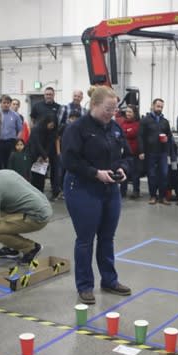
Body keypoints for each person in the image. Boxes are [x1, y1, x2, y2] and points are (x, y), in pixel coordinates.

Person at [62, 86, 132, 305]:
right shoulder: (77, 129)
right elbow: (69, 161)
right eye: (107, 109)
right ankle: (84, 285)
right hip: (82, 188)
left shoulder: (115, 128)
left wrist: (123, 169)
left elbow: (127, 155)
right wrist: (95, 173)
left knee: (107, 237)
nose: (112, 114)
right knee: (85, 239)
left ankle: (109, 280)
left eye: (114, 110)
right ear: (93, 105)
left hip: (110, 189)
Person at [0, 162, 51, 264]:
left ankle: (31, 248)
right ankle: (11, 248)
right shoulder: (5, 172)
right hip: (44, 206)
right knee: (4, 206)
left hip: (37, 216)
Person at [30, 86, 63, 200]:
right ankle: (38, 192)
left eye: (50, 94)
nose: (48, 96)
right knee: (39, 170)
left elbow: (58, 127)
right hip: (39, 141)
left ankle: (55, 191)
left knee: (54, 168)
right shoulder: (37, 106)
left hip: (51, 141)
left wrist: (47, 154)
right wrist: (42, 154)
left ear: (54, 95)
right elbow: (32, 121)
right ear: (44, 95)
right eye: (47, 94)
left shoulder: (58, 107)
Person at [138, 98, 173, 205]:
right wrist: (141, 151)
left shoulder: (165, 121)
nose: (160, 108)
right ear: (153, 106)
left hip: (162, 152)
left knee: (164, 174)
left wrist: (168, 147)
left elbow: (169, 136)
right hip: (150, 152)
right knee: (152, 175)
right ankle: (153, 196)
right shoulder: (145, 120)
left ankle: (162, 197)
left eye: (161, 107)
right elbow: (140, 136)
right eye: (158, 106)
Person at [28, 112, 58, 193]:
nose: (51, 127)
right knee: (34, 177)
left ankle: (40, 193)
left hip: (43, 157)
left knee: (41, 177)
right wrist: (43, 156)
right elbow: (36, 144)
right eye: (50, 125)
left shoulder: (51, 131)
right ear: (46, 122)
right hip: (34, 155)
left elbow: (50, 144)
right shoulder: (36, 129)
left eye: (53, 126)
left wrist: (44, 155)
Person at [117, 105, 142, 199]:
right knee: (124, 172)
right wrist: (126, 131)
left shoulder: (137, 124)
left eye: (130, 112)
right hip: (124, 153)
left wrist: (125, 132)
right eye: (127, 112)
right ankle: (122, 191)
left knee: (135, 173)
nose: (128, 113)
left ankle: (136, 191)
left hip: (134, 152)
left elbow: (133, 133)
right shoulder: (122, 123)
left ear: (134, 113)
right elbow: (121, 134)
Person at [0, 94, 23, 169]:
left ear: (10, 104)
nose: (6, 105)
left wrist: (17, 141)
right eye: (4, 103)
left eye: (8, 103)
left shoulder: (15, 115)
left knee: (10, 163)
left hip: (11, 143)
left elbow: (20, 130)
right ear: (0, 103)